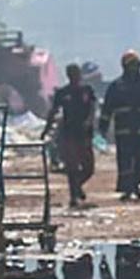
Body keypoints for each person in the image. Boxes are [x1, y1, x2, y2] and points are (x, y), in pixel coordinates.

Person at [99, 50, 140, 200]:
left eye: (136, 65)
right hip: (123, 131)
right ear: (124, 67)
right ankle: (128, 188)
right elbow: (107, 108)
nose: (134, 68)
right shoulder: (116, 86)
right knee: (125, 160)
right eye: (131, 65)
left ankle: (136, 183)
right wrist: (103, 126)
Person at [42, 63, 97, 207]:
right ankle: (73, 196)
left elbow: (92, 108)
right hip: (68, 133)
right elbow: (53, 112)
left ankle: (77, 186)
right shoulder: (63, 93)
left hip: (84, 134)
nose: (75, 76)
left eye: (76, 73)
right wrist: (46, 130)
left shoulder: (87, 90)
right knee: (71, 167)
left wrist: (89, 122)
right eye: (71, 73)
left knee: (88, 168)